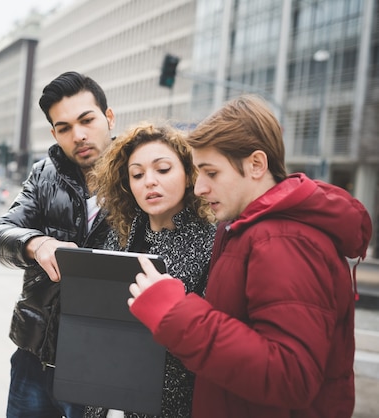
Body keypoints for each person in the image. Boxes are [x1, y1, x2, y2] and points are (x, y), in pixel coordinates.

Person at [127, 95, 372, 418]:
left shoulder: (284, 240)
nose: (199, 187)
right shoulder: (249, 230)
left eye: (211, 173)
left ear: (256, 165)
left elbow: (291, 375)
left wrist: (176, 313)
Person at [0, 71, 116, 418]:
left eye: (87, 120)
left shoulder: (138, 175)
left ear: (109, 117)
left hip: (98, 361)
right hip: (35, 353)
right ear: (54, 132)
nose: (79, 135)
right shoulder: (45, 173)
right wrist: (38, 243)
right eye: (65, 127)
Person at [83, 123, 216, 418]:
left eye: (163, 169)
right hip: (105, 398)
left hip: (170, 404)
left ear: (188, 172)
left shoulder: (213, 241)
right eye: (138, 175)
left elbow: (209, 338)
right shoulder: (118, 234)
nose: (149, 182)